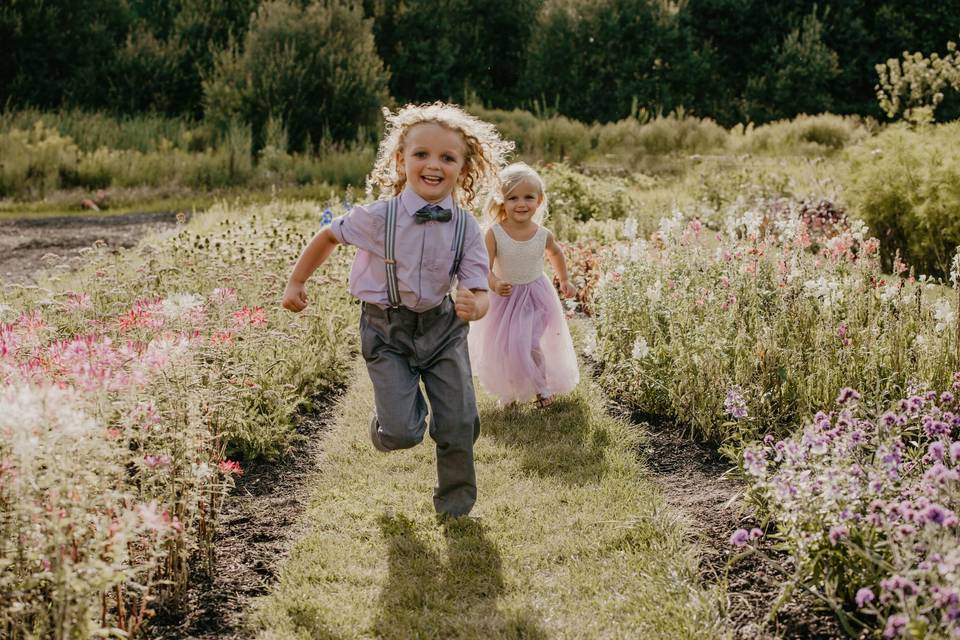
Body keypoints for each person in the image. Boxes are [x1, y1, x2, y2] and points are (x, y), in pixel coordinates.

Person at [281, 102, 512, 518]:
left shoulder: (466, 229)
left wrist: (474, 304)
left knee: (460, 422)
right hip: (386, 329)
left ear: (464, 167)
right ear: (401, 159)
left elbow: (479, 290)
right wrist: (297, 281)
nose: (433, 165)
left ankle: (455, 506)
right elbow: (329, 235)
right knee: (403, 432)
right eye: (421, 154)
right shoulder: (377, 217)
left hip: (443, 328)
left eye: (447, 157)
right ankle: (391, 424)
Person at [468, 162, 580, 409]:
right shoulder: (494, 233)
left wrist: (564, 279)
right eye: (513, 198)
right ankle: (508, 392)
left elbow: (556, 254)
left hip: (535, 296)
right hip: (505, 299)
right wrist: (495, 284)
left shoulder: (542, 234)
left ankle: (541, 387)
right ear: (501, 202)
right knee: (508, 347)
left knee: (528, 343)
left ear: (539, 201)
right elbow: (484, 268)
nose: (521, 203)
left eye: (528, 197)